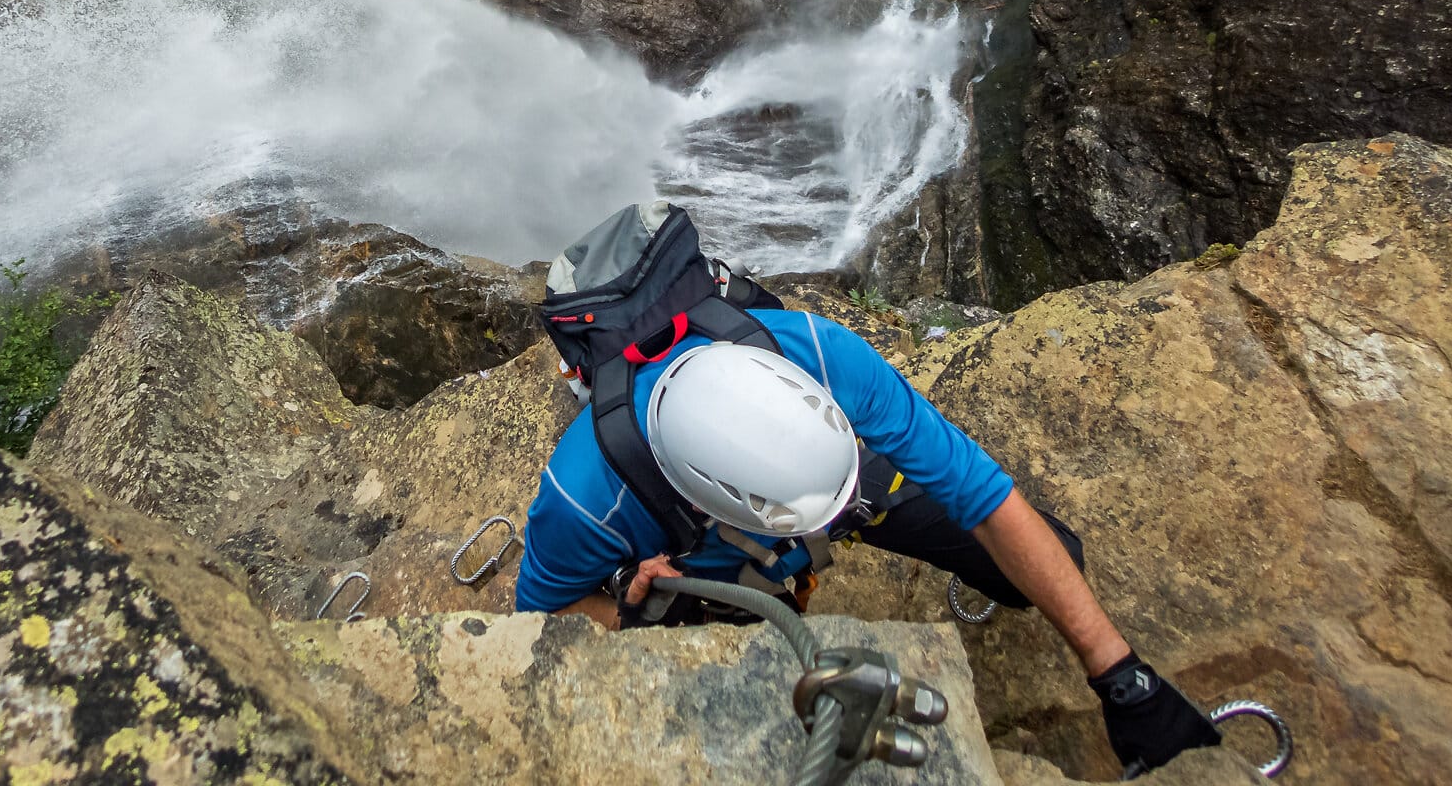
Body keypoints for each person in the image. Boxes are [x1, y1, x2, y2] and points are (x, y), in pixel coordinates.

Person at [516, 207, 1223, 777]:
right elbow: (539, 621)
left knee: (1047, 559)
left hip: (844, 487)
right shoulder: (584, 495)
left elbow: (982, 495)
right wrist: (627, 616)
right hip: (704, 572)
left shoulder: (818, 354)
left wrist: (1121, 674)